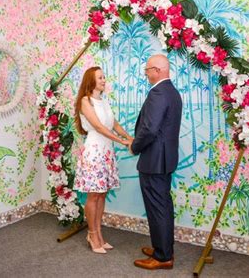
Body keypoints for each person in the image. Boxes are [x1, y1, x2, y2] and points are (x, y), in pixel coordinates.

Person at [129, 54, 183, 270]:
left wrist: (134, 146)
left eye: (148, 69)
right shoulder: (173, 93)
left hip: (154, 161)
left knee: (158, 208)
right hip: (165, 160)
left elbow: (149, 129)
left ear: (158, 70)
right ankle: (163, 248)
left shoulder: (158, 93)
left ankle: (162, 257)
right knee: (163, 206)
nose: (146, 73)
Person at [73, 66, 133, 254]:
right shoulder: (85, 101)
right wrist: (122, 142)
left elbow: (114, 124)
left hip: (106, 153)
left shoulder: (104, 101)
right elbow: (98, 127)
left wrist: (130, 137)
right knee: (94, 195)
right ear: (91, 80)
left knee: (102, 194)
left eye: (104, 77)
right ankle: (92, 234)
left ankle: (98, 233)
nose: (104, 80)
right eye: (100, 77)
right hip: (94, 152)